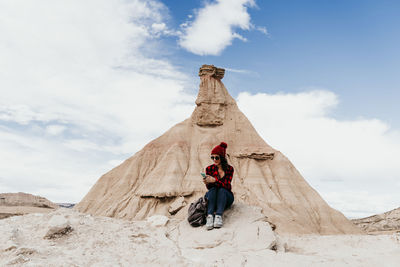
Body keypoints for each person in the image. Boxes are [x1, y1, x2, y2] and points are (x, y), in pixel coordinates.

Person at [203, 142, 234, 230]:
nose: (214, 159)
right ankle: (210, 216)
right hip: (213, 196)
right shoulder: (209, 169)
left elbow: (227, 185)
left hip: (225, 197)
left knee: (222, 190)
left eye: (217, 157)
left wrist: (215, 180)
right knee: (212, 189)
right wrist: (207, 183)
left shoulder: (229, 169)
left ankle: (218, 216)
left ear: (222, 157)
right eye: (212, 157)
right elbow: (210, 188)